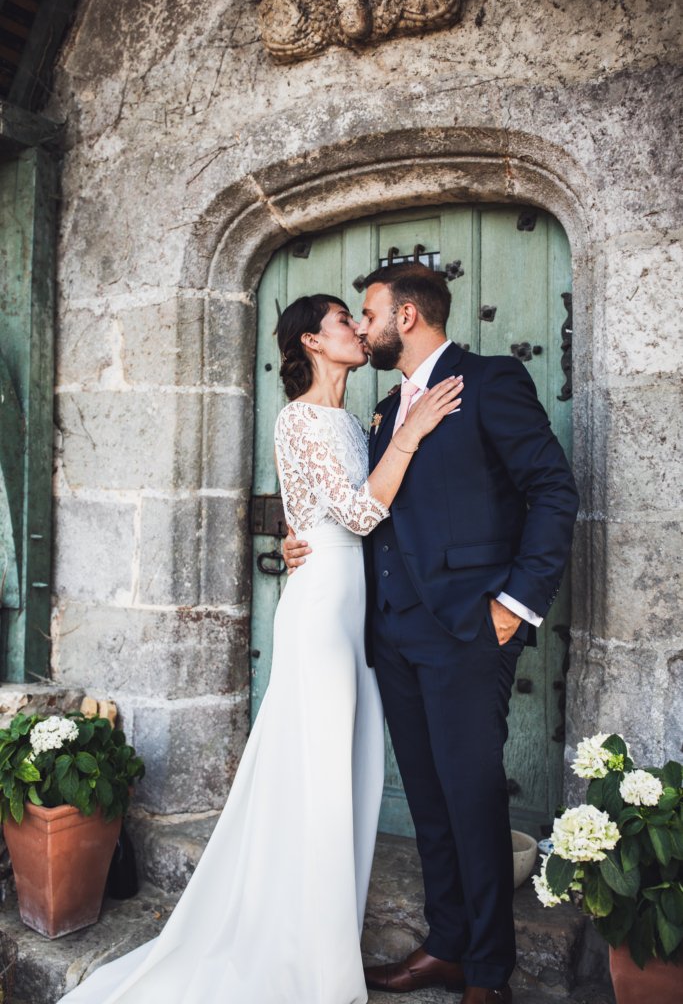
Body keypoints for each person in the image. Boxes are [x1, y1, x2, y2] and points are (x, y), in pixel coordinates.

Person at [56, 293, 462, 1004]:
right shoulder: (299, 417)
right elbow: (362, 512)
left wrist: (296, 527)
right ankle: (306, 952)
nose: (357, 332)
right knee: (315, 771)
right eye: (343, 322)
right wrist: (412, 435)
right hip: (322, 609)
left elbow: (325, 506)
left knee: (346, 769)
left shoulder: (350, 419)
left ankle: (318, 927)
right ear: (311, 341)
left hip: (353, 603)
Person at [283, 264, 580, 1004]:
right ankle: (445, 946)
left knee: (472, 800)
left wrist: (515, 601)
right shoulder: (382, 411)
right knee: (428, 801)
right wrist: (302, 540)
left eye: (368, 313)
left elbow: (552, 489)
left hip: (467, 630)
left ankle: (487, 973)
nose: (362, 324)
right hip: (393, 636)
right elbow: (360, 509)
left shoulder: (488, 381)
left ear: (405, 315)